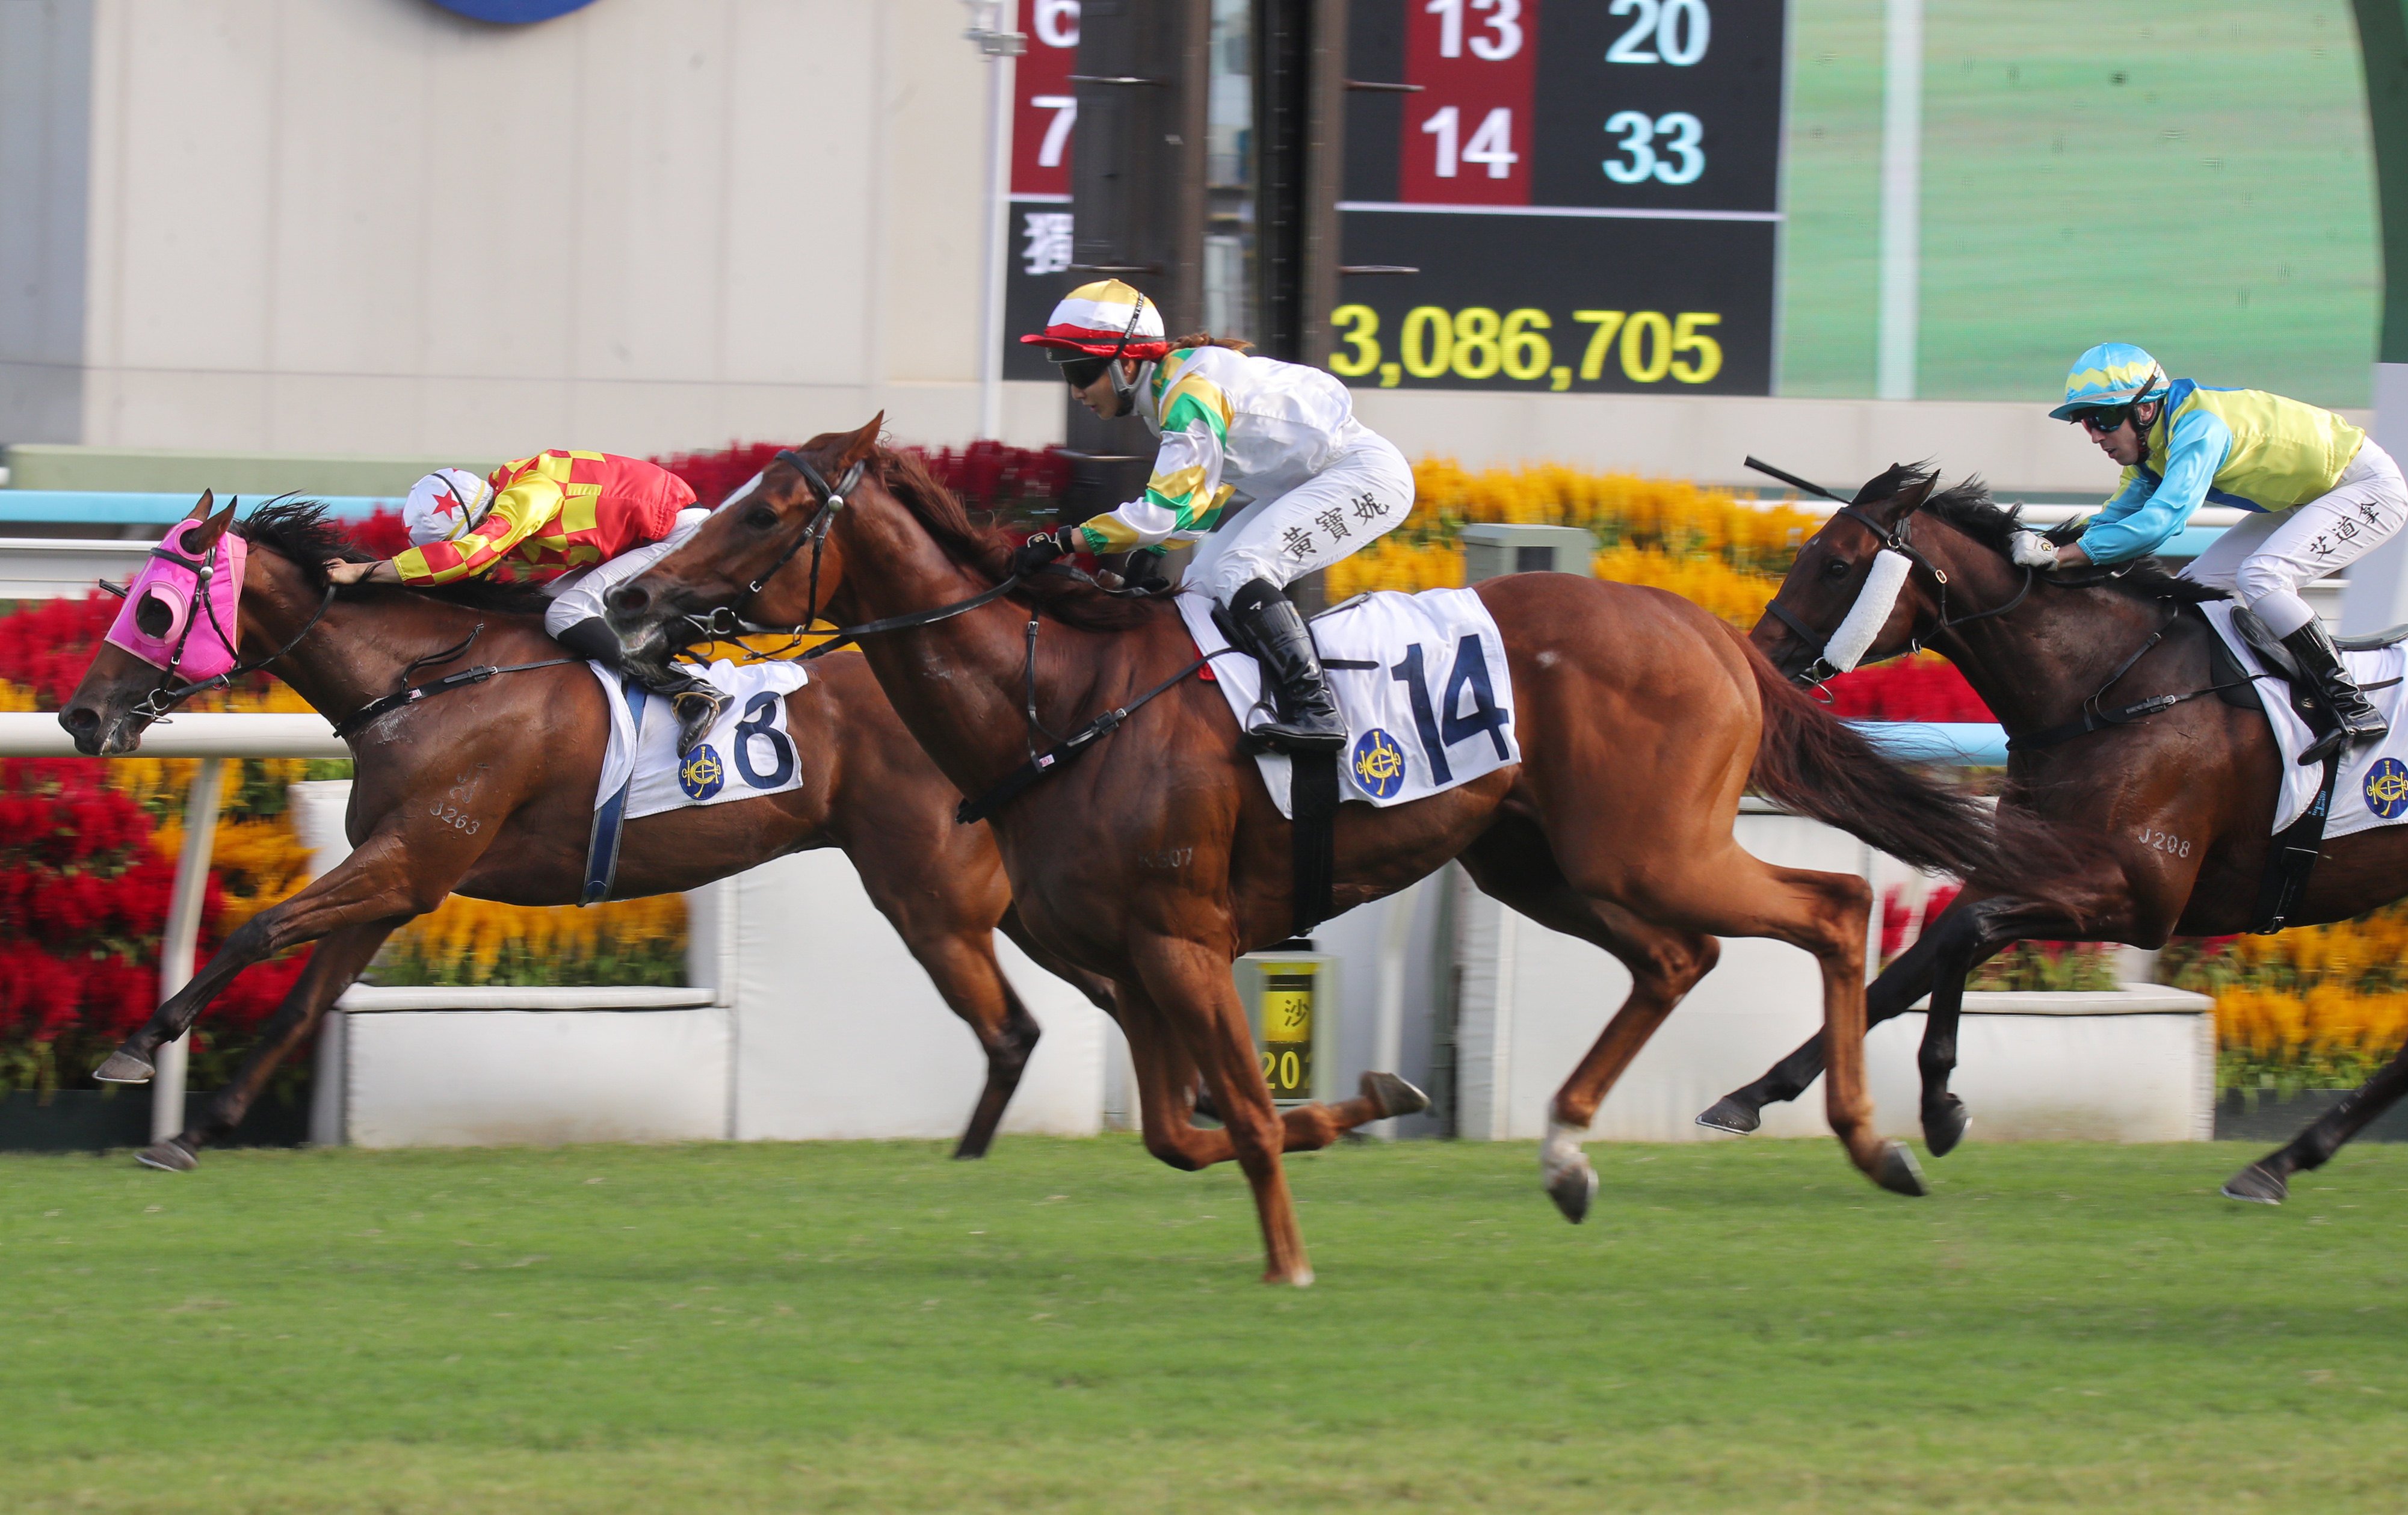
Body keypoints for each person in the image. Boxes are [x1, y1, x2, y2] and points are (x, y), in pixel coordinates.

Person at [1010, 279, 1415, 753]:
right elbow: (1204, 494)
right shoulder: (1170, 387)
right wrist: (1153, 558)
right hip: (1315, 480)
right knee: (1201, 586)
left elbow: (1164, 511)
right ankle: (1231, 707)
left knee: (1241, 570)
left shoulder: (1187, 395)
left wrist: (1064, 541)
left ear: (1126, 362)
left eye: (1080, 372)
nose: (1075, 392)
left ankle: (1317, 712)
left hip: (1364, 476)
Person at [2026, 342, 2407, 764]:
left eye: (2105, 417)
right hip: (2308, 498)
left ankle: (2351, 706)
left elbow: (2162, 523)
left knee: (2263, 577)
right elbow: (2112, 520)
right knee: (2196, 590)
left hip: (2366, 489)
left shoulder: (2199, 427)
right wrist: (2044, 544)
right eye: (2085, 423)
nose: (2096, 434)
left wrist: (2066, 556)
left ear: (2146, 409)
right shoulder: (2149, 455)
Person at [325, 451, 730, 753]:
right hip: (651, 536)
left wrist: (367, 570)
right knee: (541, 611)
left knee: (566, 613)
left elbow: (468, 557)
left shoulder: (524, 500)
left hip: (680, 537)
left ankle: (691, 691)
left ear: (475, 523)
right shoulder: (509, 492)